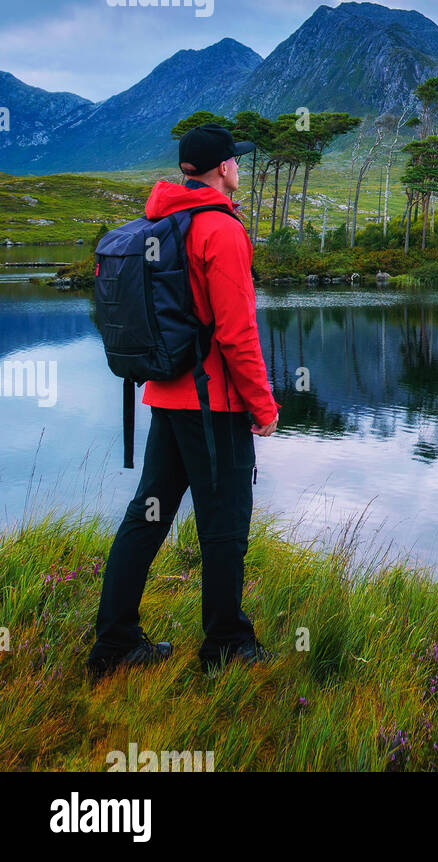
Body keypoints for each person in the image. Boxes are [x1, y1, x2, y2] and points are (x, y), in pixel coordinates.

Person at [86, 124, 280, 679]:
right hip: (214, 405)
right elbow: (237, 332)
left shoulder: (163, 219)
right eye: (235, 161)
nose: (239, 167)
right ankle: (225, 644)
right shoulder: (219, 230)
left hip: (165, 396)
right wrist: (262, 407)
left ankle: (115, 643)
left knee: (147, 517)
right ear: (223, 168)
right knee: (225, 525)